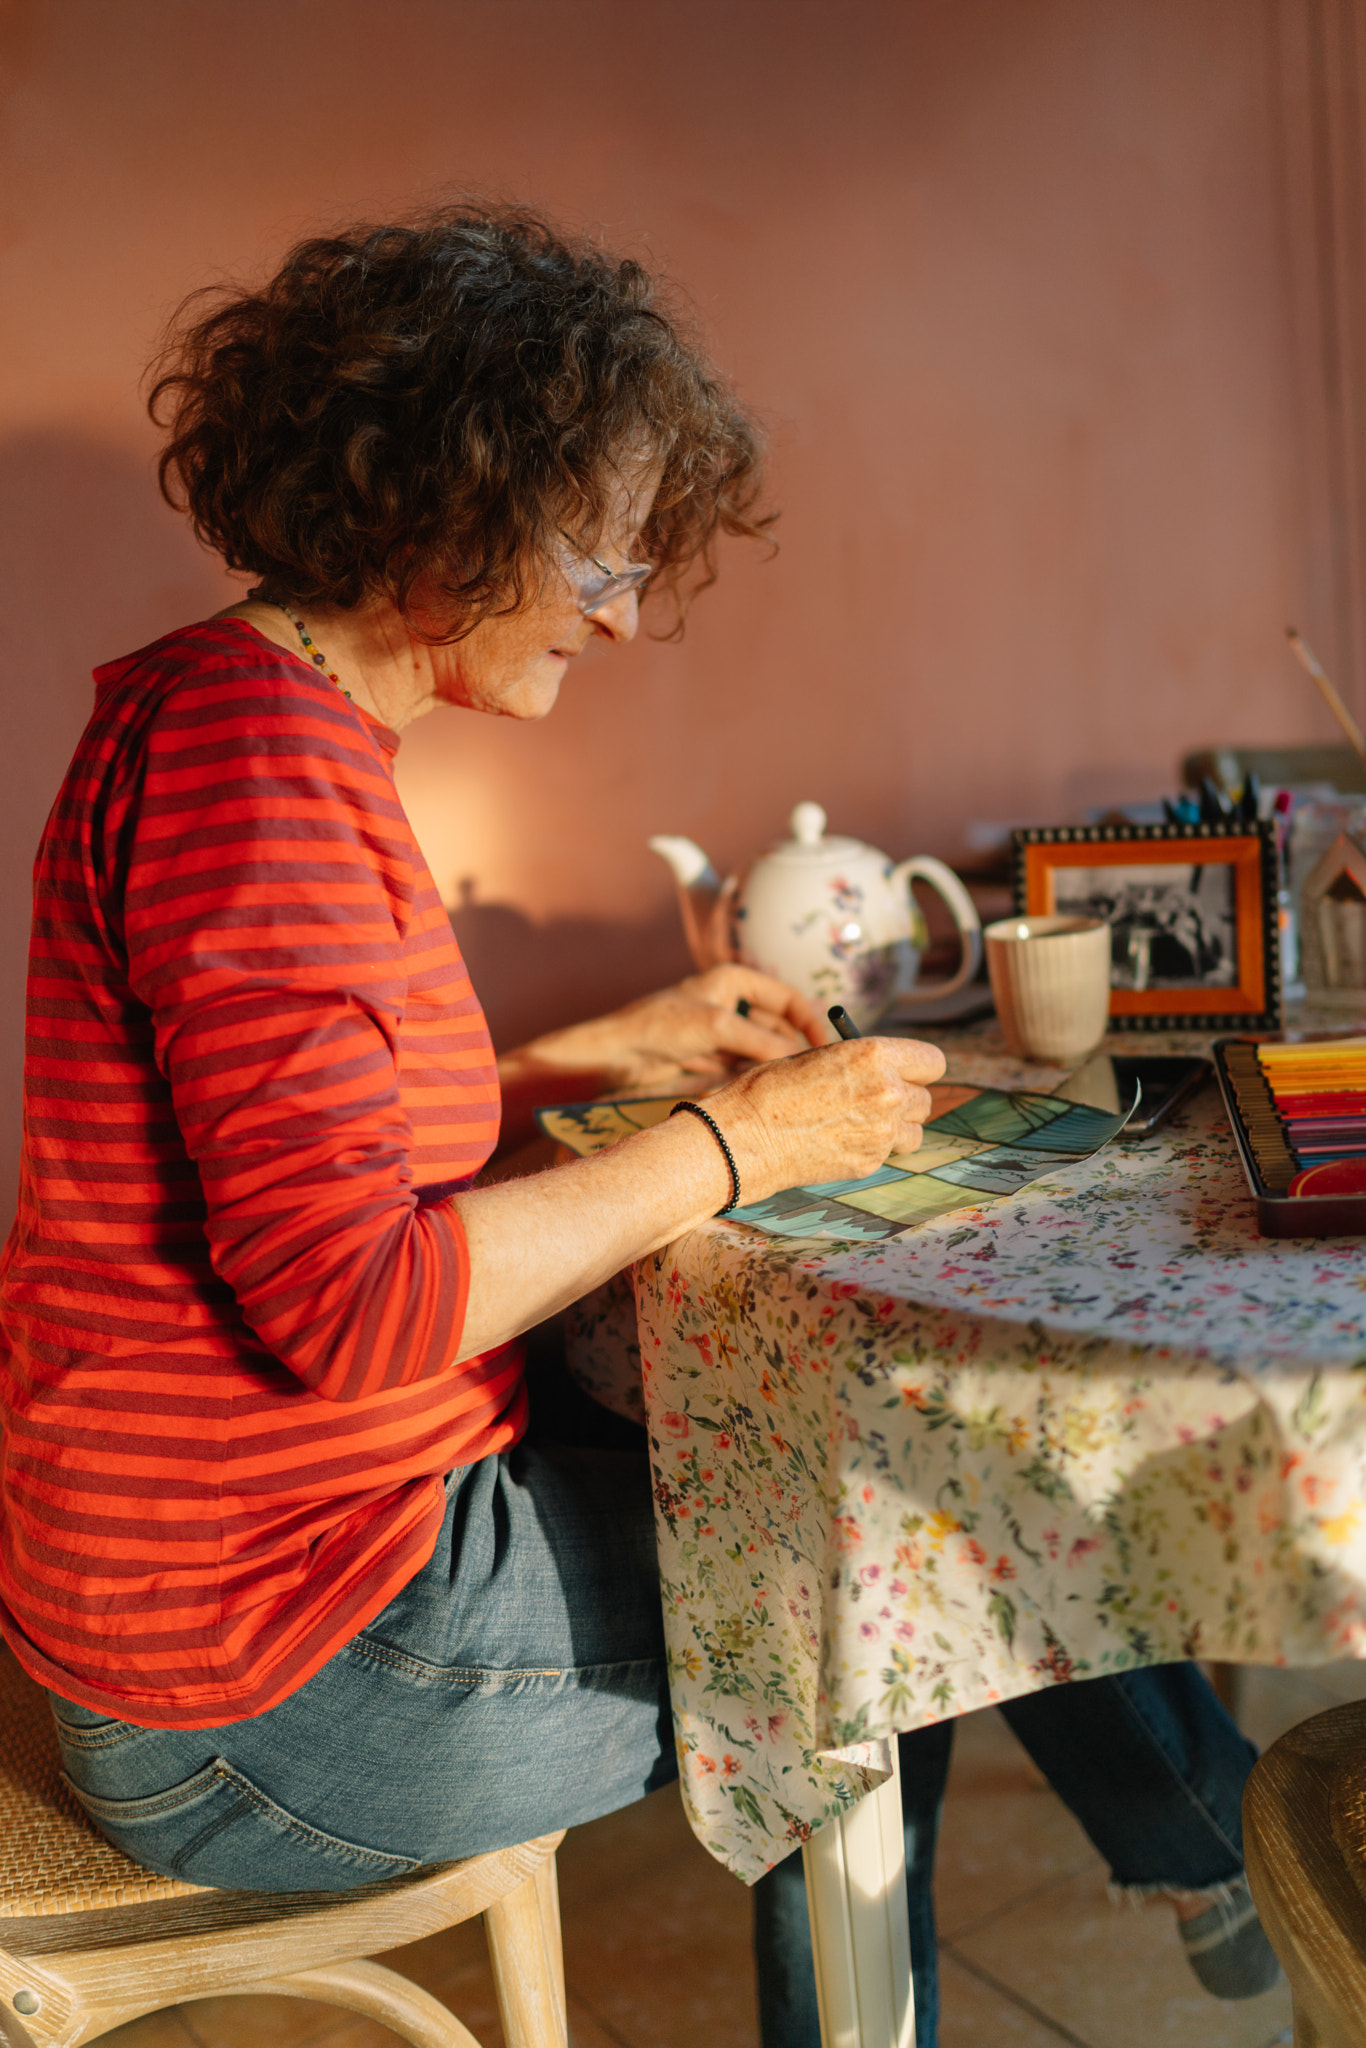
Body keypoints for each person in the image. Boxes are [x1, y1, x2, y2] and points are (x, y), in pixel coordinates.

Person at [0, 206, 1274, 2044]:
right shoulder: (266, 778)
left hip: (214, 1595)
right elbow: (353, 1306)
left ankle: (1195, 1847)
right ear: (448, 508)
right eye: (595, 554)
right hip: (273, 1679)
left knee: (875, 1512)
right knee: (884, 1586)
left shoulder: (222, 721)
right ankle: (1208, 1841)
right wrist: (751, 1140)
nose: (614, 611)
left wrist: (585, 1049)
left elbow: (276, 1118)